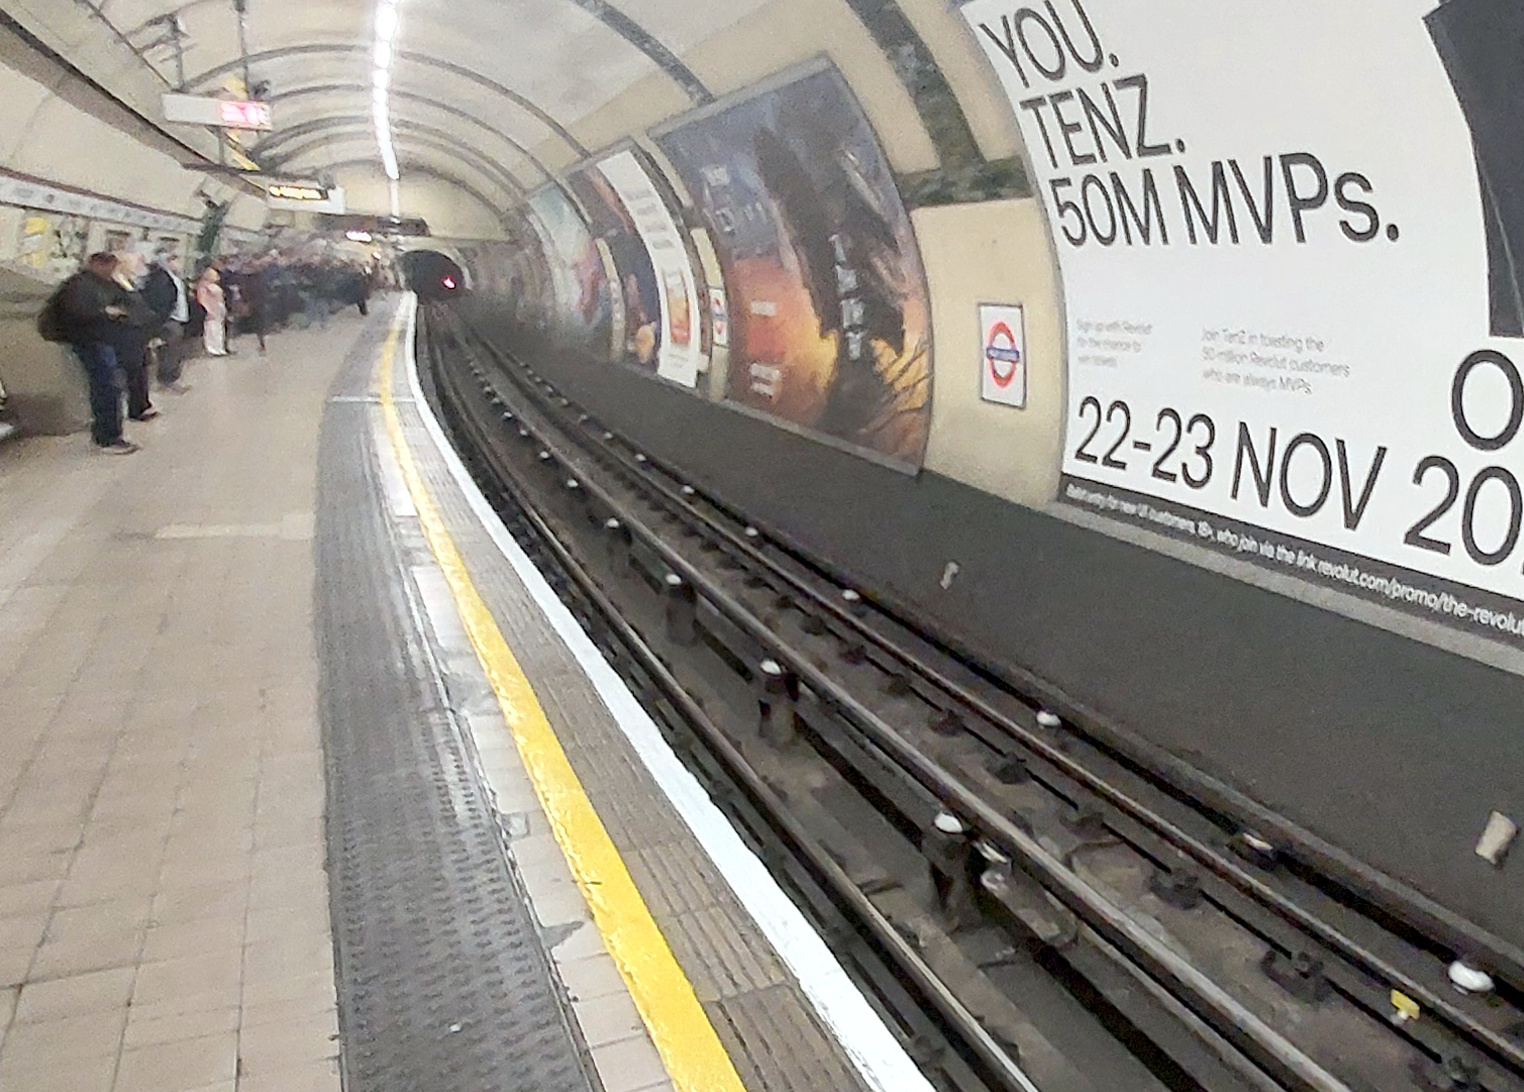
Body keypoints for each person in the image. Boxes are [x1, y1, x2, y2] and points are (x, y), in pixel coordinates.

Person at [55, 252, 136, 454]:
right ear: (97, 264)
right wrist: (105, 312)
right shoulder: (80, 285)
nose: (112, 272)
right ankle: (106, 438)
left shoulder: (102, 283)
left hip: (103, 340)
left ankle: (111, 434)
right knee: (106, 387)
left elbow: (128, 300)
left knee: (110, 386)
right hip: (91, 341)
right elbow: (77, 312)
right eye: (110, 267)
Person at [105, 255, 158, 422]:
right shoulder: (113, 283)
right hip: (125, 332)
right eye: (135, 264)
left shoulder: (129, 282)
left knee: (141, 368)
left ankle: (142, 404)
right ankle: (135, 408)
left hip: (137, 330)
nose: (137, 267)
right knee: (132, 369)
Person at [144, 252, 191, 392]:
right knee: (169, 352)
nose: (177, 264)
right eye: (173, 261)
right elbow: (161, 300)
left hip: (179, 319)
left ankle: (172, 378)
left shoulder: (175, 278)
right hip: (170, 320)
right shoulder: (161, 279)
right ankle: (167, 380)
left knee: (175, 351)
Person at [197, 268, 228, 356]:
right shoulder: (203, 286)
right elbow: (202, 298)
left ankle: (219, 347)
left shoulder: (214, 285)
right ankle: (211, 348)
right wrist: (208, 309)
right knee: (211, 328)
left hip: (219, 307)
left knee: (219, 328)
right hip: (210, 309)